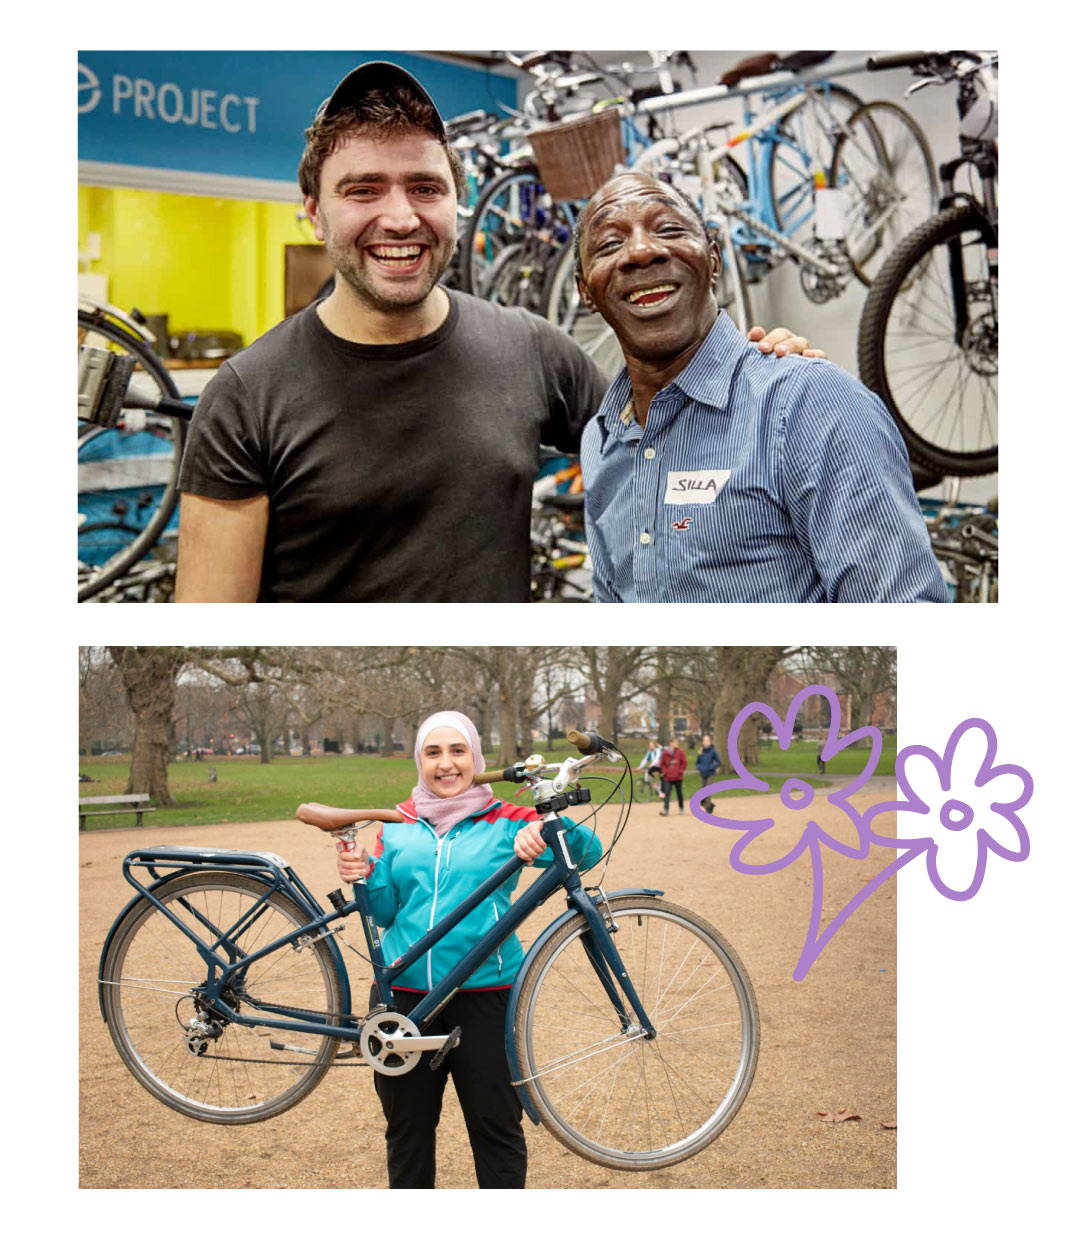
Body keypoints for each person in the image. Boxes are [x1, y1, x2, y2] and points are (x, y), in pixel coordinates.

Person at [175, 61, 820, 602]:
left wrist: (756, 374)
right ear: (315, 213)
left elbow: (670, 439)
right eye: (363, 190)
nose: (400, 218)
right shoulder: (245, 396)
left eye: (424, 187)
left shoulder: (530, 348)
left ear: (456, 202)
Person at [574, 171, 950, 603]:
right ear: (586, 291)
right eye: (608, 244)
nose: (641, 251)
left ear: (713, 260)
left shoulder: (809, 405)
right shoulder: (602, 440)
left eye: (669, 229)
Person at [335, 710, 601, 1188]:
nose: (446, 764)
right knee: (408, 1133)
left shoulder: (506, 819)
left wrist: (545, 829)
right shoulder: (397, 823)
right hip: (403, 999)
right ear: (420, 761)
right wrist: (365, 875)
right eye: (433, 753)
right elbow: (386, 911)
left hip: (486, 995)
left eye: (457, 751)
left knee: (495, 1128)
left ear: (475, 757)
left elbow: (586, 853)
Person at [658, 736, 687, 816]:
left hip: (678, 777)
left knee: (679, 793)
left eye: (677, 742)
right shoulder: (665, 753)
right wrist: (665, 772)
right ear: (671, 743)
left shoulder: (680, 752)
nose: (677, 744)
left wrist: (680, 771)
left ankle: (681, 808)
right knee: (667, 793)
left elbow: (684, 763)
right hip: (668, 777)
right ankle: (665, 810)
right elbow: (662, 764)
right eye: (675, 742)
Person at [695, 733, 720, 814]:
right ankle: (709, 804)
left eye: (707, 740)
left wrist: (711, 767)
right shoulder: (700, 751)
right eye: (704, 740)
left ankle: (708, 808)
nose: (706, 742)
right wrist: (699, 767)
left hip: (711, 773)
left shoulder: (713, 751)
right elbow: (697, 762)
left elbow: (718, 762)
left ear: (710, 742)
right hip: (702, 773)